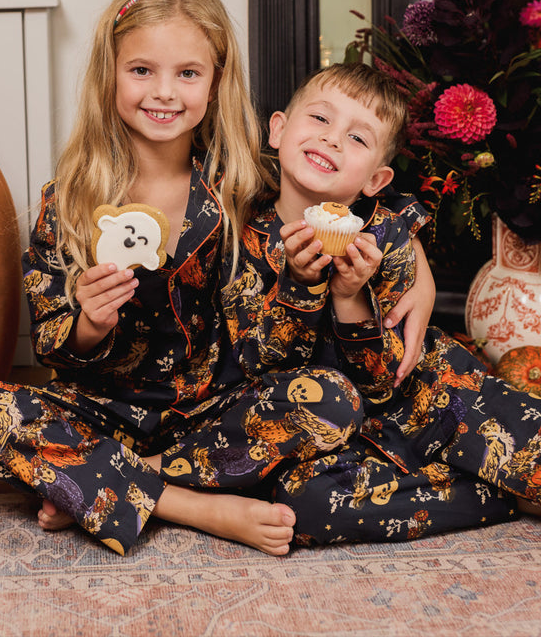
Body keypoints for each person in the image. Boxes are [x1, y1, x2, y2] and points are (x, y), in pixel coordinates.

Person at [0, 0, 432, 558]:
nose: (165, 93)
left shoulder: (249, 183)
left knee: (331, 399)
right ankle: (193, 505)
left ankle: (104, 485)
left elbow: (356, 198)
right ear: (111, 74)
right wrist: (90, 324)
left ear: (216, 82)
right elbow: (52, 347)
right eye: (142, 70)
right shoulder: (67, 201)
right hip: (102, 411)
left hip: (219, 410)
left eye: (188, 74)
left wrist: (418, 270)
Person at [221, 61, 541, 547]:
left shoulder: (386, 236)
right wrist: (303, 285)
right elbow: (262, 368)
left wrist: (350, 298)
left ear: (375, 179)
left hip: (419, 396)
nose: (332, 140)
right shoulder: (239, 235)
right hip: (331, 432)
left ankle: (491, 468)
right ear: (279, 130)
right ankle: (497, 495)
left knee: (524, 438)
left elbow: (384, 380)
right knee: (303, 507)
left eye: (358, 138)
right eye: (321, 120)